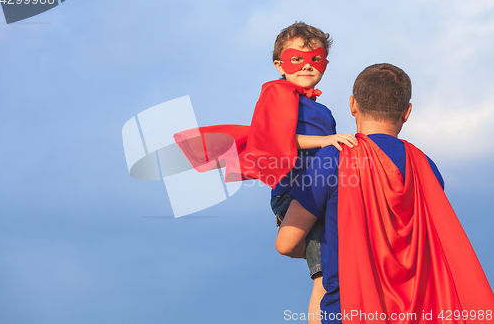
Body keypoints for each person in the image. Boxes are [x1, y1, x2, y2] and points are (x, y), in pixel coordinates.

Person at [276, 63, 494, 324]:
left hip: (349, 311)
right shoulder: (425, 166)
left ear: (352, 105)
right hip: (419, 312)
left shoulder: (333, 158)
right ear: (407, 112)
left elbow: (285, 243)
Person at [174, 22, 357, 322]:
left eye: (315, 58)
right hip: (296, 191)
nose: (307, 65)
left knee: (337, 264)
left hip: (319, 193)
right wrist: (326, 141)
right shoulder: (278, 92)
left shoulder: (323, 111)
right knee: (325, 276)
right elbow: (276, 138)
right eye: (296, 59)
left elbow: (331, 160)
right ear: (279, 65)